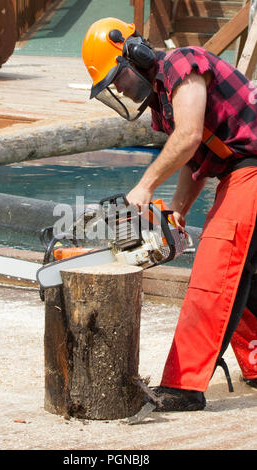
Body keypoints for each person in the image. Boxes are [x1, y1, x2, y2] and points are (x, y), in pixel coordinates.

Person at [82, 17, 257, 411]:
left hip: (251, 165)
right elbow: (194, 160)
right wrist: (176, 212)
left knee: (218, 262)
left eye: (119, 78)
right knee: (247, 265)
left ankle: (183, 386)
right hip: (239, 168)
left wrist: (144, 186)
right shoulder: (162, 105)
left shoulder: (181, 64)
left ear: (136, 53)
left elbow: (189, 135)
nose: (121, 88)